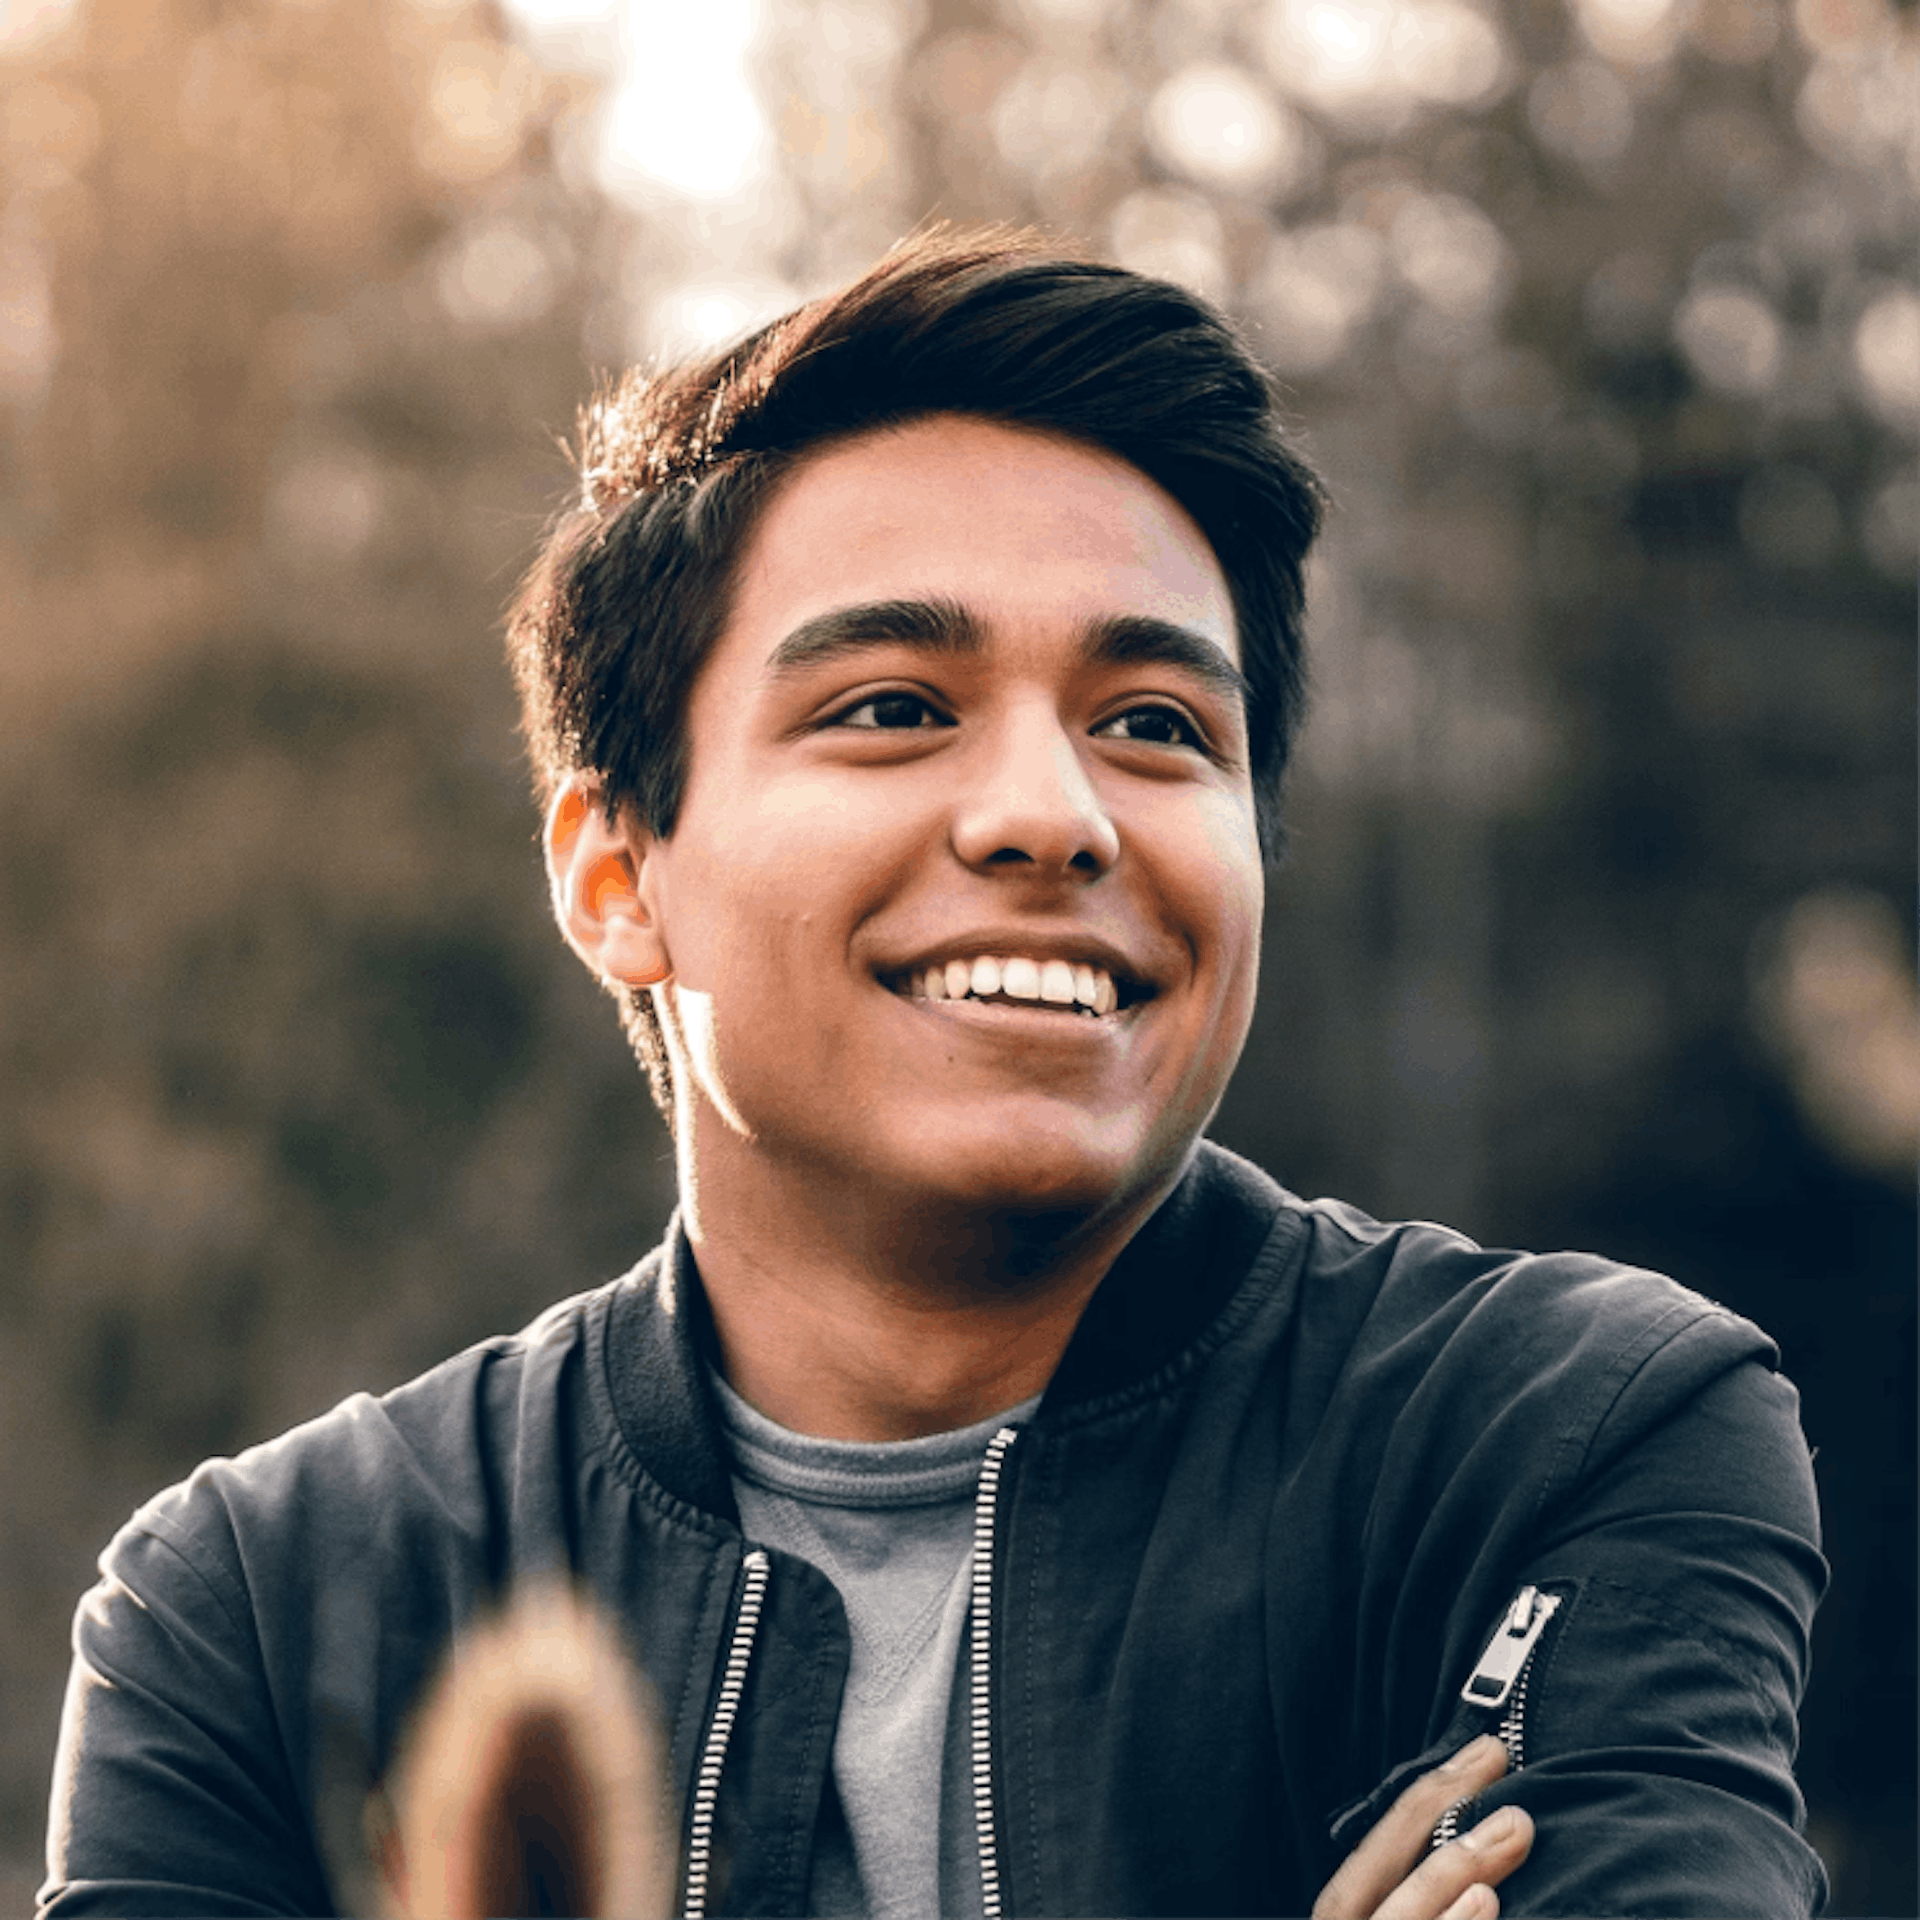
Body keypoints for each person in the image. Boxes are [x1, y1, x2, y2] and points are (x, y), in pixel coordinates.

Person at [39, 227, 1826, 1919]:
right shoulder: (266, 1615)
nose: (1052, 813)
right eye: (894, 706)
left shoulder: (1566, 1438)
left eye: (1155, 727)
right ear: (615, 878)